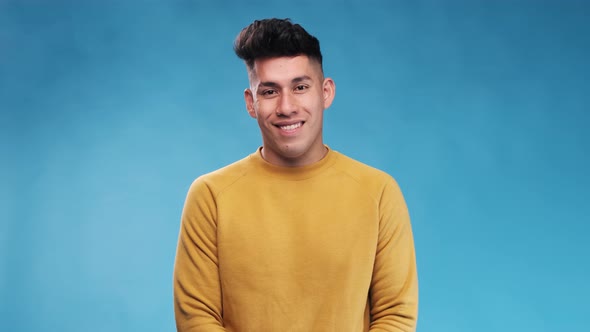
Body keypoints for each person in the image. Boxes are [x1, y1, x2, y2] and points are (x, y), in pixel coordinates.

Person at [173, 18, 418, 332]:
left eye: (300, 87)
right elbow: (196, 317)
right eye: (270, 91)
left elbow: (395, 316)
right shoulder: (210, 195)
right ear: (251, 103)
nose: (286, 107)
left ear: (325, 92)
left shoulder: (378, 192)